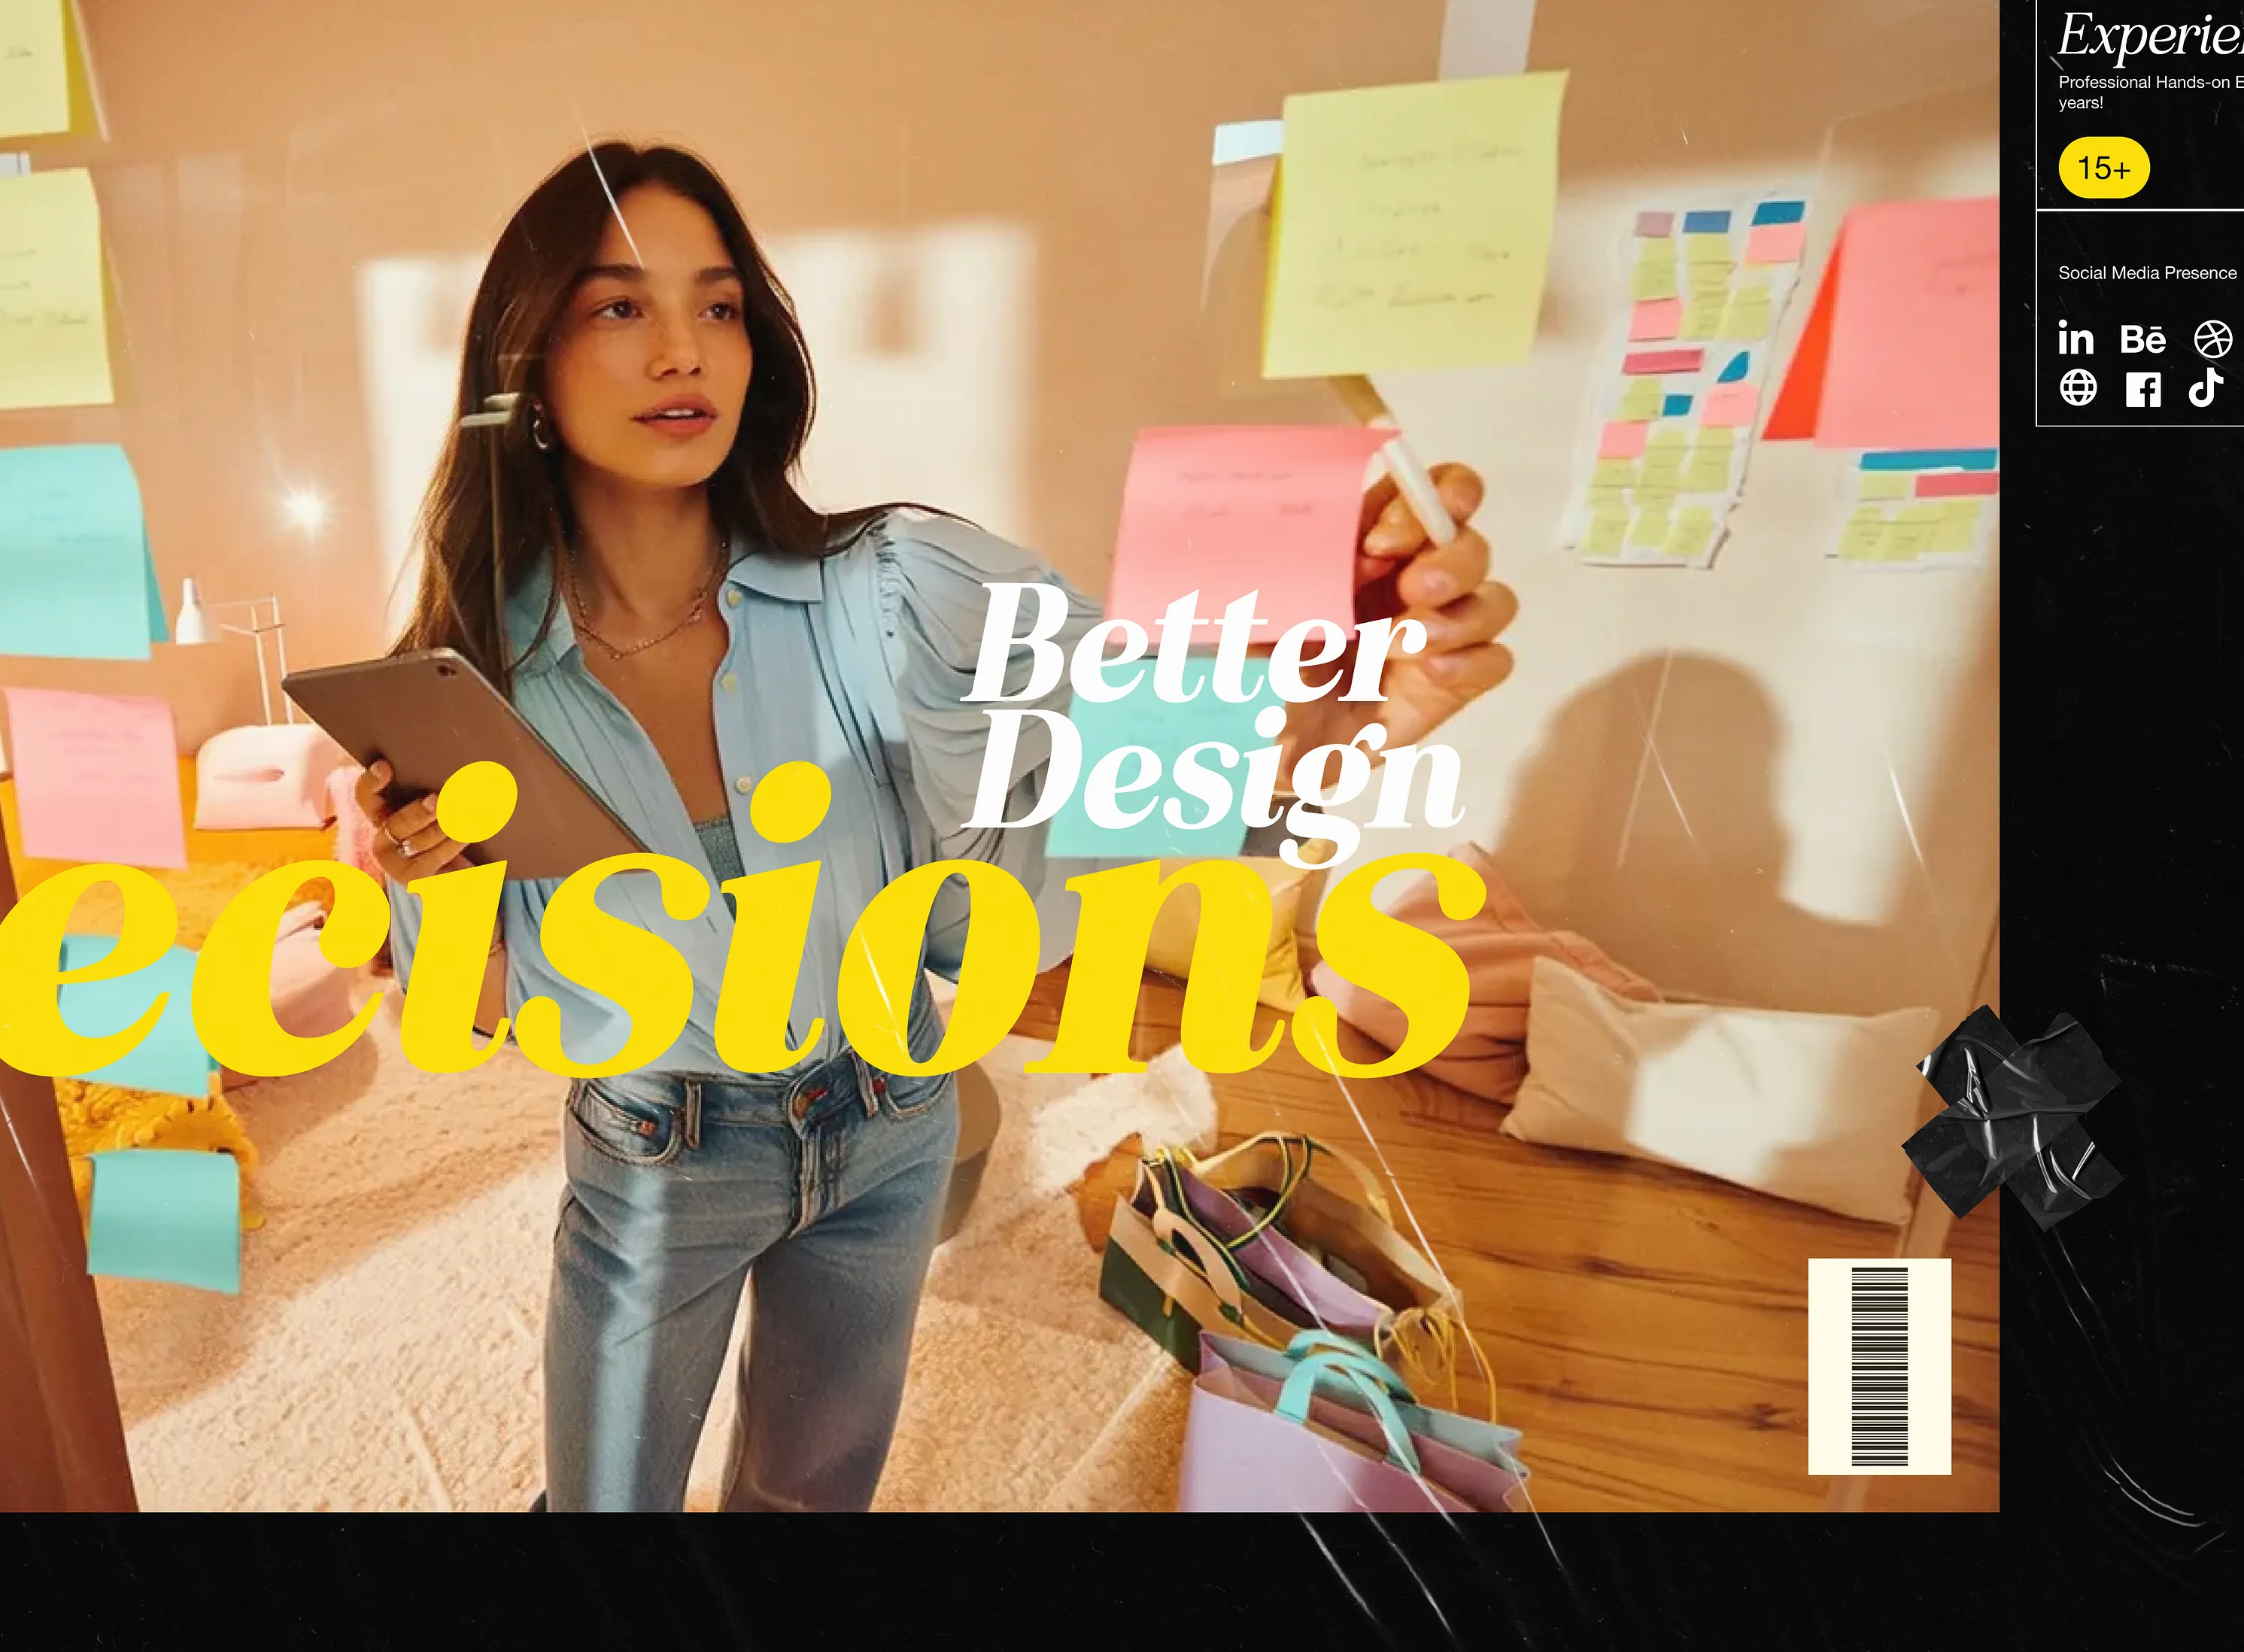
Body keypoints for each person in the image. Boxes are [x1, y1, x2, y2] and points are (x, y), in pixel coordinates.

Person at [353, 141, 1517, 1512]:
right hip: (654, 1153)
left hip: (893, 1114)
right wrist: (420, 875)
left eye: (718, 306)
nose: (685, 350)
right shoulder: (475, 676)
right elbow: (484, 1002)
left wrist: (1359, 689)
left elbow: (1169, 739)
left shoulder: (900, 584)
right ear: (527, 365)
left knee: (809, 1503)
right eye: (620, 307)